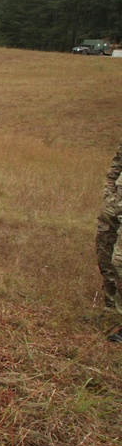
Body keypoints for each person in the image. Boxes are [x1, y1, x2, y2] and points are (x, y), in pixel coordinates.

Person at [97, 139, 122, 342]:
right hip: (115, 203)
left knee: (119, 261)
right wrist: (108, 190)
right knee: (104, 254)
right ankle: (110, 310)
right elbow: (117, 162)